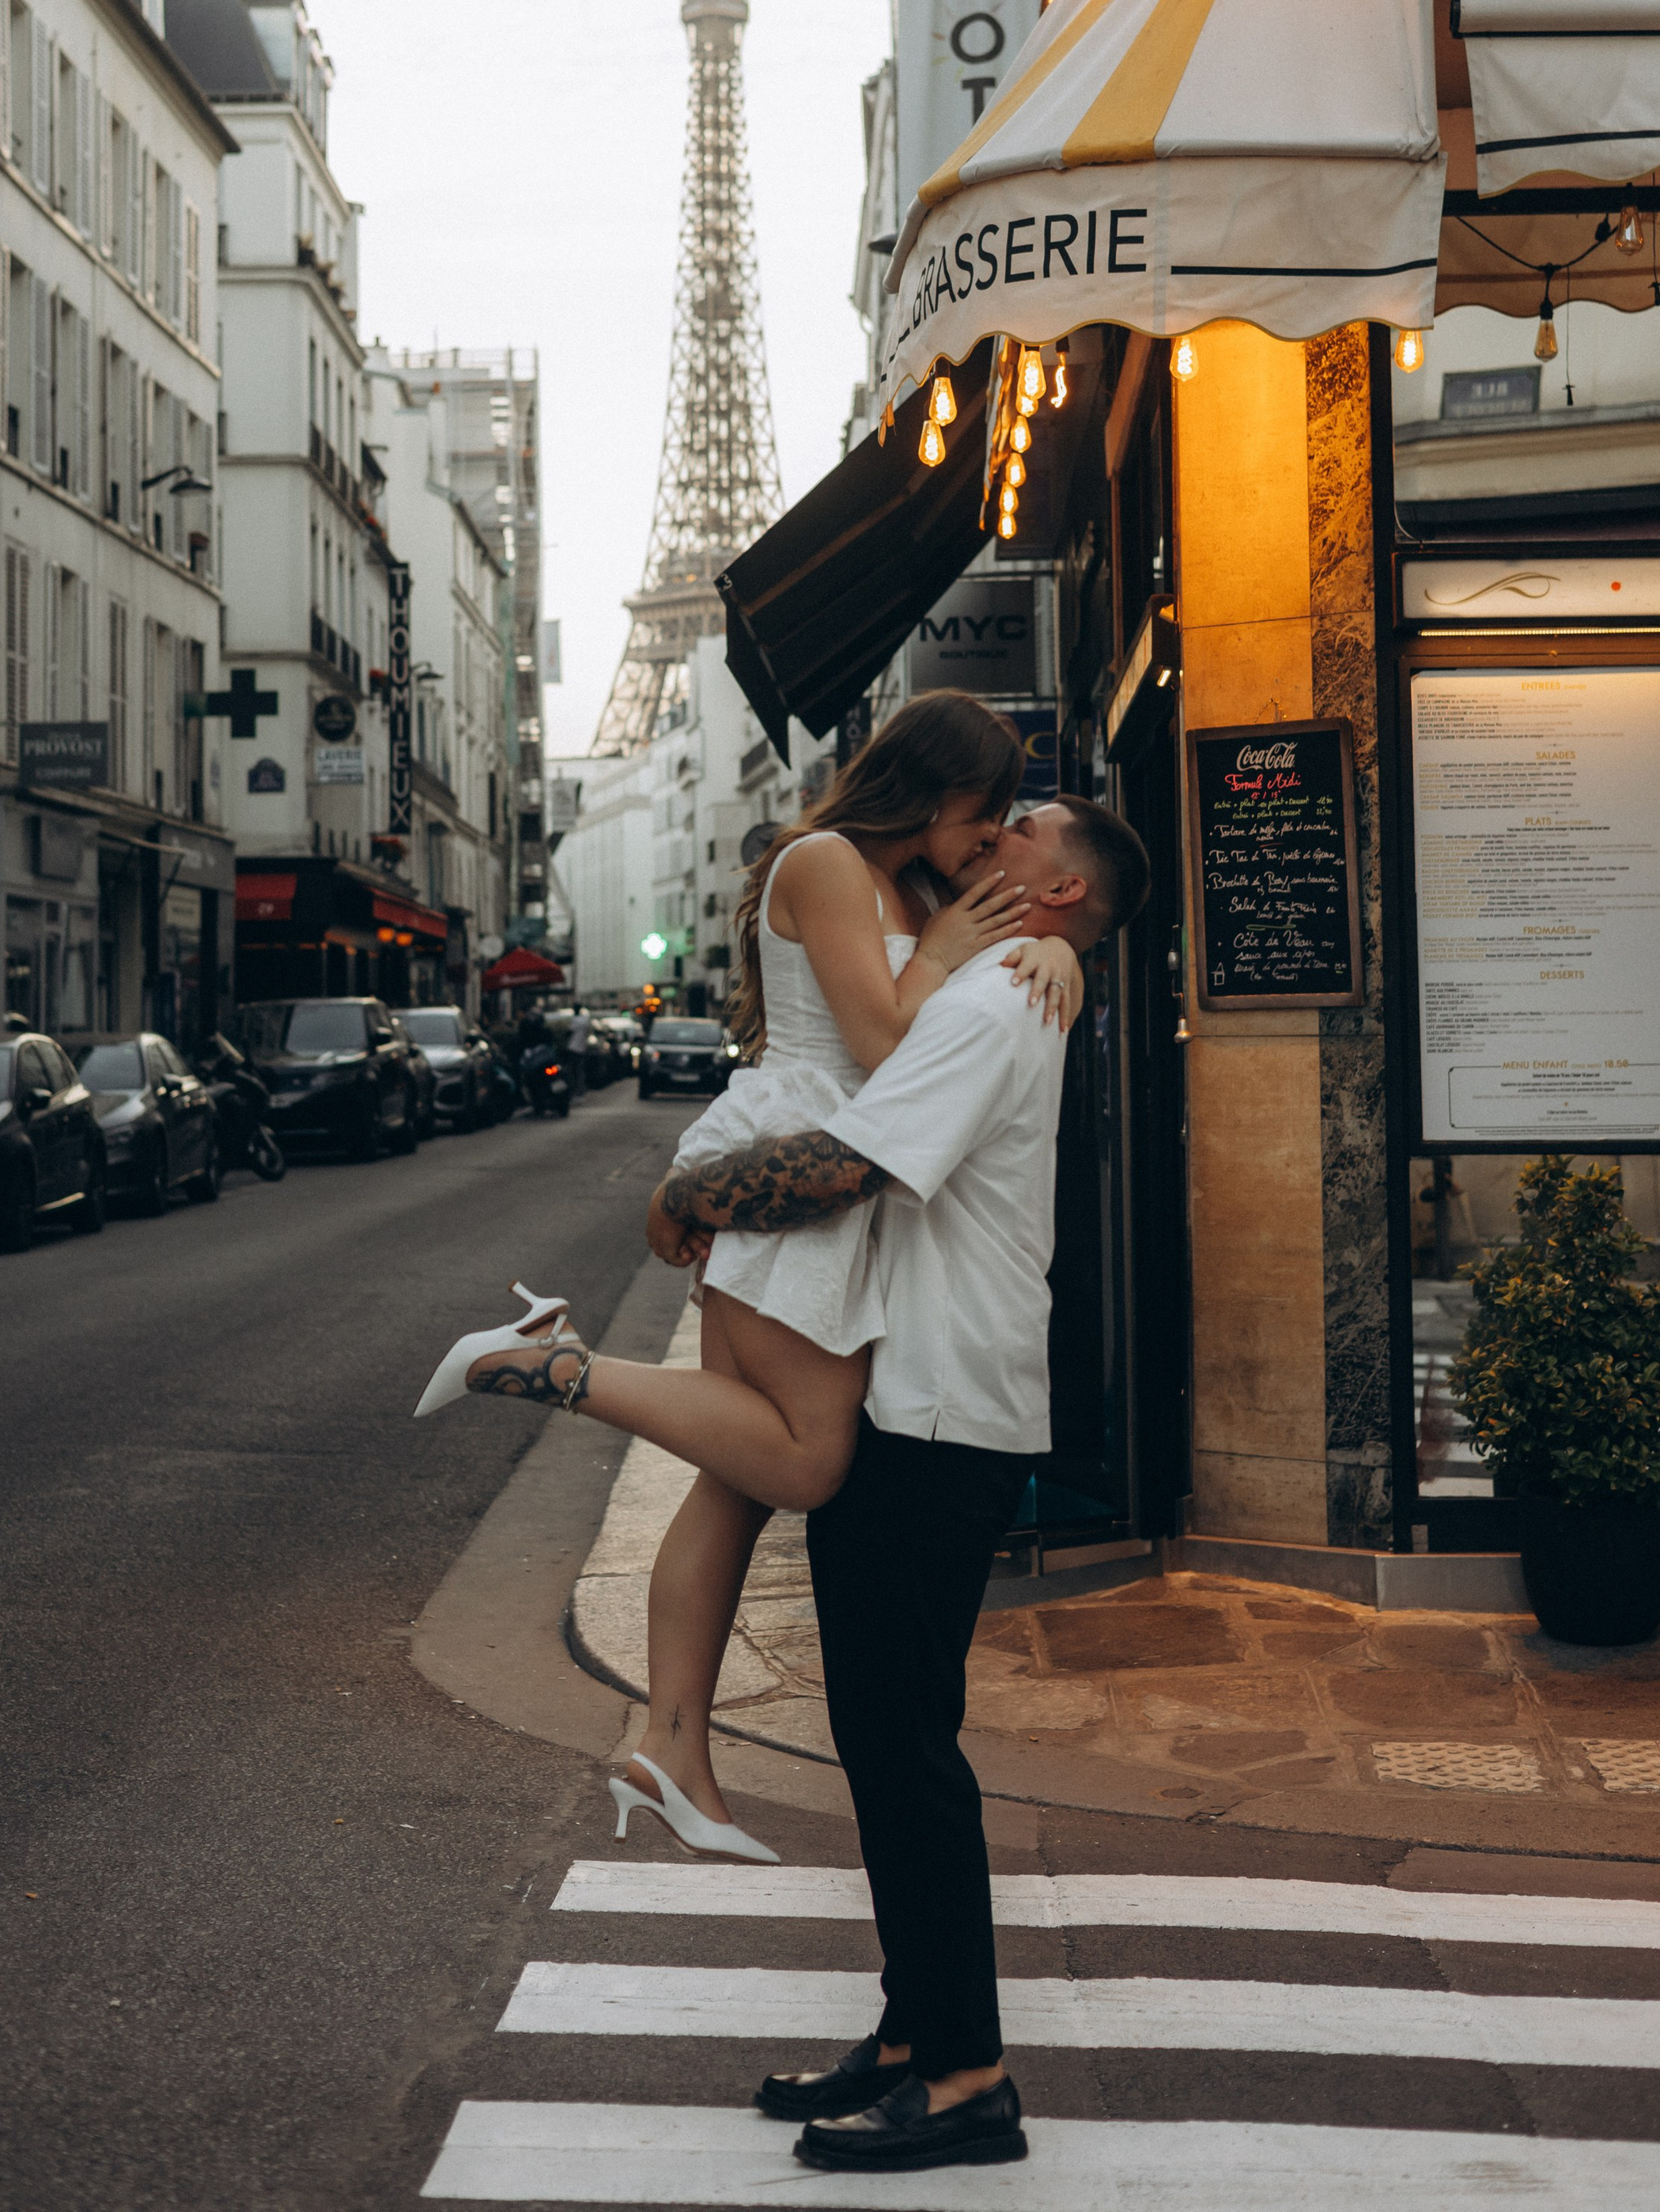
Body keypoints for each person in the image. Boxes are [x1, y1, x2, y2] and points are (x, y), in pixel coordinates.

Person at [411, 693, 1083, 1862]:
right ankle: (554, 1365)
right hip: (801, 1166)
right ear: (930, 788)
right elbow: (885, 1044)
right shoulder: (825, 862)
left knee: (733, 1483)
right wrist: (945, 950)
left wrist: (1058, 947)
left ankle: (672, 1753)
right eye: (985, 810)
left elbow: (999, 963)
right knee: (810, 1459)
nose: (991, 836)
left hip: (839, 1176)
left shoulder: (915, 884)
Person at [643, 792, 1148, 2176]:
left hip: (936, 1409)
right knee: (886, 1735)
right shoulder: (1009, 977)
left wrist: (691, 1194)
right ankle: (916, 2031)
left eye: (1025, 825)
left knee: (904, 1747)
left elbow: (849, 1166)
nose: (999, 830)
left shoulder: (996, 1002)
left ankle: (967, 2074)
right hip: (925, 1397)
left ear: (1058, 890)